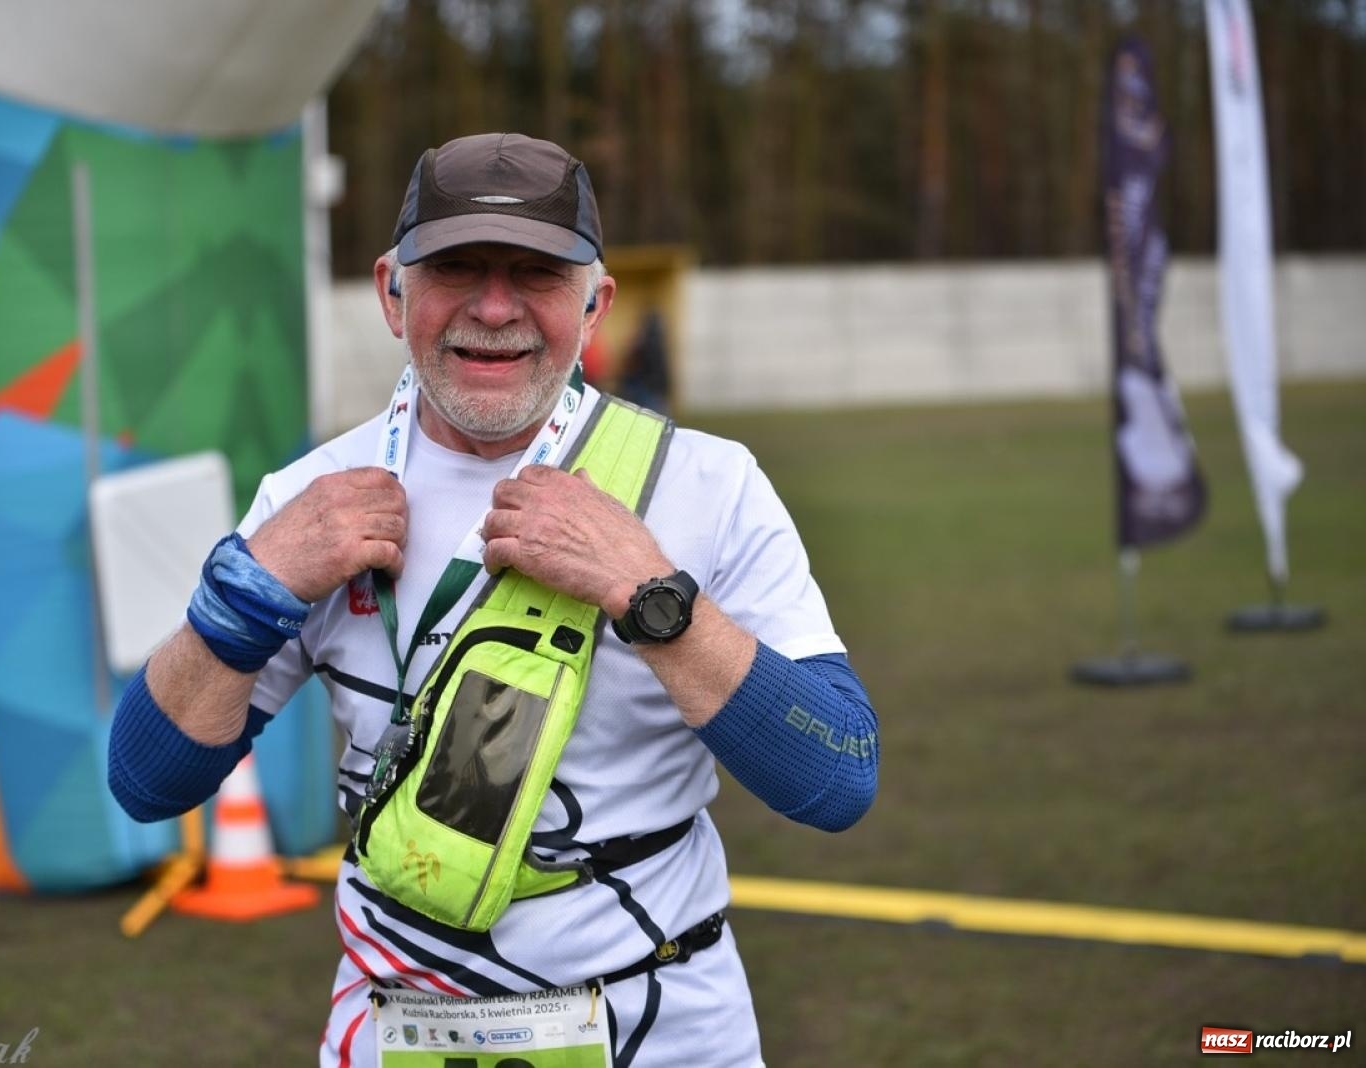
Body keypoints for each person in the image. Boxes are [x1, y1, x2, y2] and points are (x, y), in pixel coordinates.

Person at [108, 132, 879, 1067]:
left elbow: (837, 779)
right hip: (395, 1024)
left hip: (661, 1023)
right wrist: (248, 592)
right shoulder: (311, 497)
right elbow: (147, 781)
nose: (495, 307)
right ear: (391, 290)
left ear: (596, 303)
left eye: (539, 275)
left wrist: (647, 594)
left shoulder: (709, 484)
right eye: (457, 267)